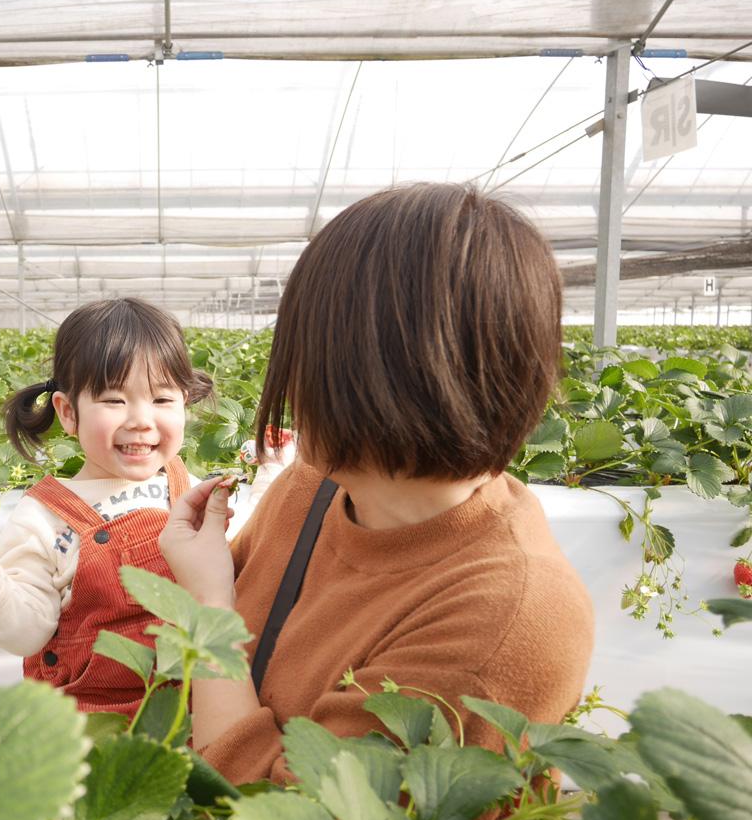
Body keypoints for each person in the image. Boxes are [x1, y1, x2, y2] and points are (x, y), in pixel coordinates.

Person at [158, 183, 595, 785]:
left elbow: (286, 819)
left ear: (378, 369)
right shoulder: (313, 488)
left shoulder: (508, 617)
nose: (289, 377)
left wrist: (209, 604)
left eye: (308, 347)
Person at [0, 298, 280, 717]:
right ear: (68, 413)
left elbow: (240, 579)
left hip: (199, 714)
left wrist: (274, 477)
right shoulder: (45, 517)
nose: (142, 420)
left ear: (185, 402)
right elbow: (27, 631)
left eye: (162, 400)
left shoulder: (193, 493)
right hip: (91, 729)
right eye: (114, 400)